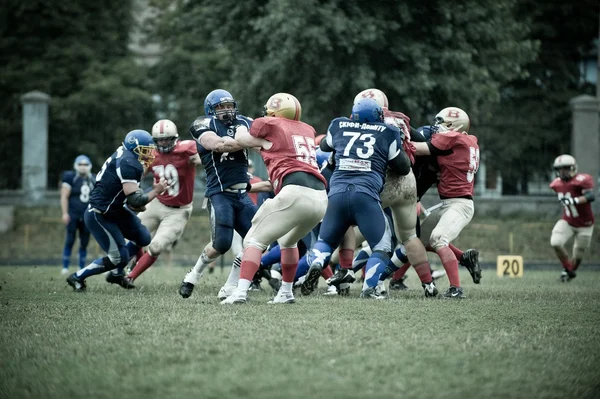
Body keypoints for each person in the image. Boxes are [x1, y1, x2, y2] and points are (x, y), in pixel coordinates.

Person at [220, 92, 328, 304]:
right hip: (320, 198)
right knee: (289, 241)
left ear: (273, 113)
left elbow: (243, 139)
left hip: (295, 191)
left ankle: (240, 292)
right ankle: (286, 292)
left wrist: (240, 126)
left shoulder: (271, 124)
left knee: (253, 240)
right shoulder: (306, 129)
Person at [302, 97, 411, 299]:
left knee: (325, 241)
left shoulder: (338, 125)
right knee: (382, 245)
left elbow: (325, 147)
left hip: (337, 193)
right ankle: (369, 288)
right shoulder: (388, 132)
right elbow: (403, 167)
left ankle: (317, 261)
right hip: (365, 195)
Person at [179, 89, 267, 299]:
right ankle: (193, 274)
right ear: (211, 110)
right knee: (221, 244)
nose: (226, 110)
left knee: (258, 241)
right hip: (219, 194)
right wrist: (250, 142)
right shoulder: (203, 124)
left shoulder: (244, 122)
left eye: (229, 106)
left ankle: (229, 286)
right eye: (220, 107)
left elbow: (264, 142)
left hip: (241, 196)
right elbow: (217, 145)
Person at [66, 130, 168, 291]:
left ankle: (116, 275)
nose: (149, 154)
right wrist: (155, 191)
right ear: (134, 148)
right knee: (118, 258)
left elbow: (133, 200)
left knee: (142, 237)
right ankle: (77, 277)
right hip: (99, 213)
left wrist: (140, 200)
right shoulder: (129, 163)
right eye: (145, 150)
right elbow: (135, 200)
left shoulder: (127, 156)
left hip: (115, 209)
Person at [412, 107, 479, 299]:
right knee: (420, 241)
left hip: (459, 204)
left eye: (441, 122)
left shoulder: (454, 138)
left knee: (439, 239)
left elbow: (418, 149)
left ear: (452, 126)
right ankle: (464, 257)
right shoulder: (468, 141)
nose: (436, 127)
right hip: (448, 203)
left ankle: (456, 289)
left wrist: (399, 137)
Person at [125, 119, 201, 283]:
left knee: (156, 246)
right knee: (132, 235)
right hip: (157, 203)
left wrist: (199, 158)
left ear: (175, 138)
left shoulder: (186, 149)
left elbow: (203, 157)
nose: (163, 143)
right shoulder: (152, 155)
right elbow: (138, 176)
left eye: (167, 139)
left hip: (179, 210)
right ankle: (126, 267)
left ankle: (130, 278)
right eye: (160, 140)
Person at [549, 154, 595, 282]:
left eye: (565, 168)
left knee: (578, 254)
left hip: (585, 224)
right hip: (568, 221)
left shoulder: (582, 180)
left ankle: (567, 274)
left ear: (573, 168)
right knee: (556, 242)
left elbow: (591, 196)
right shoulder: (555, 184)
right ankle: (568, 269)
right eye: (559, 169)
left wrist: (572, 200)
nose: (562, 172)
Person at [60, 155, 95, 275]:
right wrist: (65, 213)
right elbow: (64, 196)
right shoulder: (70, 177)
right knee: (70, 239)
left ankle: (81, 266)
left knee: (84, 241)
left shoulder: (93, 179)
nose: (83, 167)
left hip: (87, 215)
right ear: (76, 165)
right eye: (80, 164)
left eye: (85, 164)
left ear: (89, 166)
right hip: (73, 214)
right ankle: (65, 267)